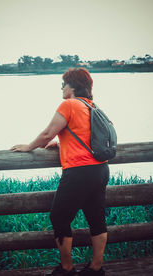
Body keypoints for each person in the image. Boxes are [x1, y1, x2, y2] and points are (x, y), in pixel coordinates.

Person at [11, 68, 109, 276]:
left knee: (59, 217)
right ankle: (96, 268)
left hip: (79, 171)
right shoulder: (91, 106)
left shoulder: (69, 104)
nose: (62, 88)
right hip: (100, 169)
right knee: (96, 218)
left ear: (73, 86)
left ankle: (66, 269)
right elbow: (83, 135)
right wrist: (61, 143)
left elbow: (47, 133)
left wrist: (29, 147)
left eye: (64, 84)